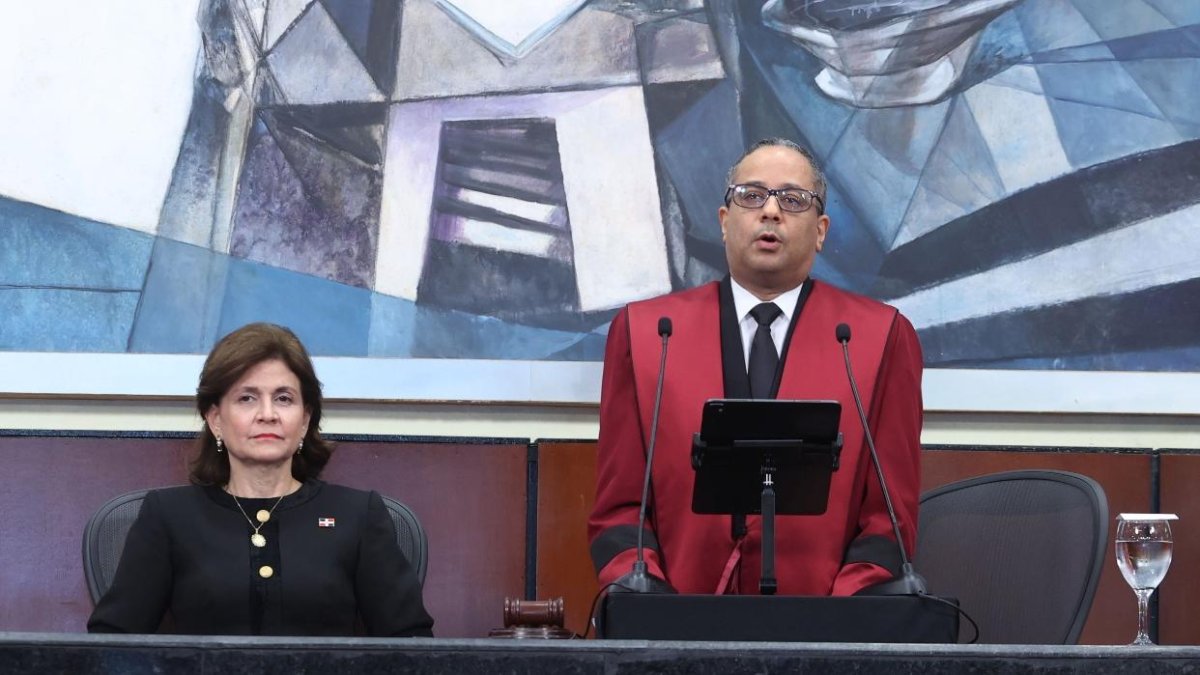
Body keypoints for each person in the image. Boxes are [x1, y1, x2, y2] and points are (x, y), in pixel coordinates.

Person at [588, 138, 924, 596]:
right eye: (751, 196)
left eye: (792, 200)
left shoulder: (880, 338)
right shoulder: (646, 335)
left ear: (821, 230)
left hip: (826, 628)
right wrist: (651, 604)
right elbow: (619, 508)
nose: (770, 211)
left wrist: (842, 618)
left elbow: (891, 515)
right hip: (677, 625)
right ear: (725, 222)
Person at [88, 323, 434, 636]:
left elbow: (412, 646)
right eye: (247, 398)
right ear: (216, 419)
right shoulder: (168, 516)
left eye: (284, 399)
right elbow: (111, 643)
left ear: (304, 419)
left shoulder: (358, 515)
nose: (267, 414)